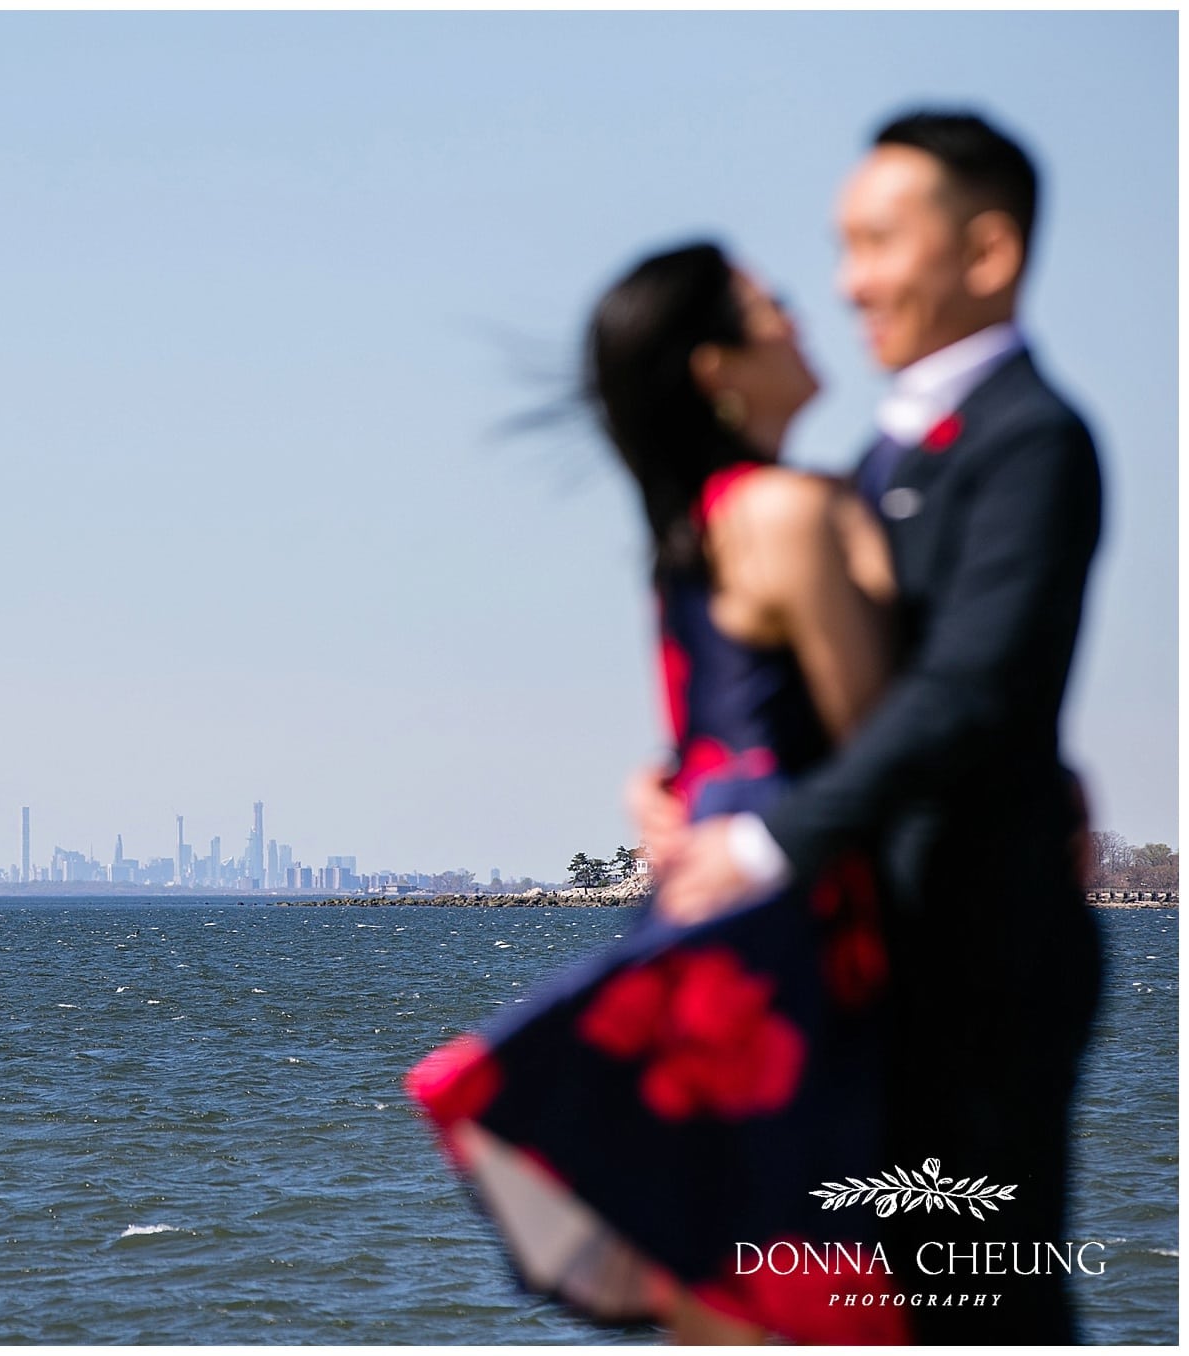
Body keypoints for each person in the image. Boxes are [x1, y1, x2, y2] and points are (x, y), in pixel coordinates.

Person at [650, 110, 1105, 1343]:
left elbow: (966, 691)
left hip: (977, 956)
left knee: (979, 1306)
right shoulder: (875, 460)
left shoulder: (1031, 442)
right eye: (841, 246)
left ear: (987, 252)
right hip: (878, 959)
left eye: (875, 242)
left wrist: (764, 845)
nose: (848, 282)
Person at [407, 241, 909, 1344]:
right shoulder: (788, 512)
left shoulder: (691, 530)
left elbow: (716, 728)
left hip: (702, 920)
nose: (803, 316)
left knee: (730, 1279)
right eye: (769, 306)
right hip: (793, 926)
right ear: (713, 369)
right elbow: (881, 743)